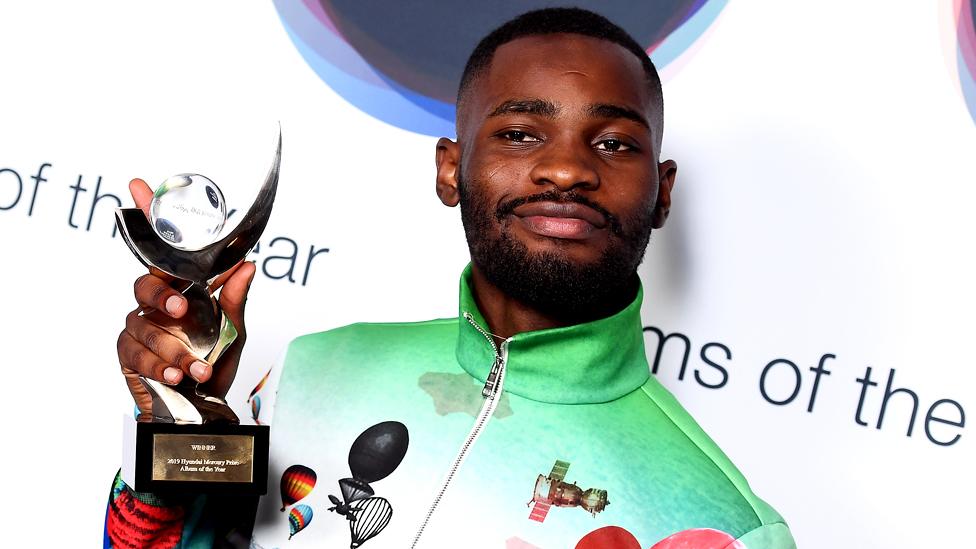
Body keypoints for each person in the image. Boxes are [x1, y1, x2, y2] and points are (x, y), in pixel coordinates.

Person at [106, 8, 796, 549]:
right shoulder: (307, 370)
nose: (566, 170)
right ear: (449, 169)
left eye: (613, 143)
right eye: (522, 133)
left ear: (663, 190)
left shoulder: (726, 526)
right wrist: (178, 426)